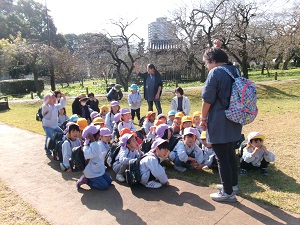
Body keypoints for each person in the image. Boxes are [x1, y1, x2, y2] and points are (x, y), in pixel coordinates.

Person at [200, 40, 242, 202]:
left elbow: (207, 100)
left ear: (212, 61)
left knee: (221, 158)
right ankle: (233, 185)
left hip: (219, 120)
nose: (206, 66)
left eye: (206, 63)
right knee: (230, 154)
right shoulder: (234, 70)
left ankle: (227, 192)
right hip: (235, 118)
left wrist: (203, 118)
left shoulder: (215, 72)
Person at [76, 125, 113, 190]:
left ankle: (96, 179)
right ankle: (86, 180)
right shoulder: (86, 148)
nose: (99, 135)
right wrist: (93, 141)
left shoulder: (96, 143)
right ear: (92, 136)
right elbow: (94, 153)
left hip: (99, 170)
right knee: (104, 186)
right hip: (92, 173)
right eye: (98, 134)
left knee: (109, 181)